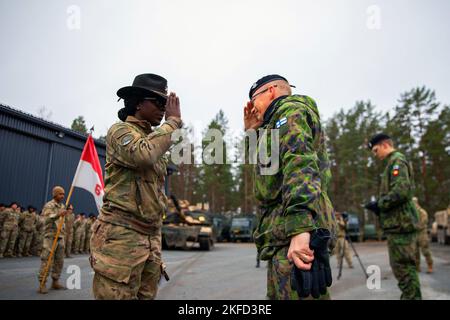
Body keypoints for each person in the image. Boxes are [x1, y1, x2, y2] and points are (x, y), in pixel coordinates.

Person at [90, 73, 182, 300]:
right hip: (122, 235)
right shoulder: (120, 131)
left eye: (166, 104)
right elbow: (143, 155)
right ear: (139, 102)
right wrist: (172, 123)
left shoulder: (152, 138)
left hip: (149, 236)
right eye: (159, 102)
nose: (164, 109)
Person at [244, 74, 335, 300]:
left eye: (254, 99)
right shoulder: (274, 124)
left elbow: (300, 165)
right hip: (282, 234)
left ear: (271, 91)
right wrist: (253, 132)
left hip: (294, 233)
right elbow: (266, 177)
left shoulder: (289, 113)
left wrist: (300, 230)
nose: (252, 108)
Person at [365, 133, 421, 300]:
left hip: (401, 226)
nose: (375, 155)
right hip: (398, 225)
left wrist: (380, 204)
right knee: (403, 269)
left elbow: (401, 191)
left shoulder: (397, 161)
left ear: (384, 145)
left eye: (376, 150)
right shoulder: (392, 163)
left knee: (404, 269)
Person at [37, 186, 68, 294]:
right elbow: (45, 219)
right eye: (60, 194)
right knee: (47, 260)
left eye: (63, 194)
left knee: (59, 261)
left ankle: (55, 281)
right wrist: (58, 214)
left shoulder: (62, 206)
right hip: (50, 236)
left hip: (60, 236)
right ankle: (42, 283)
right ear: (55, 194)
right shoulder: (49, 205)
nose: (63, 196)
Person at [412, 197, 433, 273]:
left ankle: (430, 265)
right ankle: (417, 267)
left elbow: (423, 222)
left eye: (414, 202)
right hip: (414, 234)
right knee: (415, 252)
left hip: (422, 233)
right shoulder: (411, 213)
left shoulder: (422, 212)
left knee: (425, 250)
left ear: (417, 203)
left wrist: (414, 226)